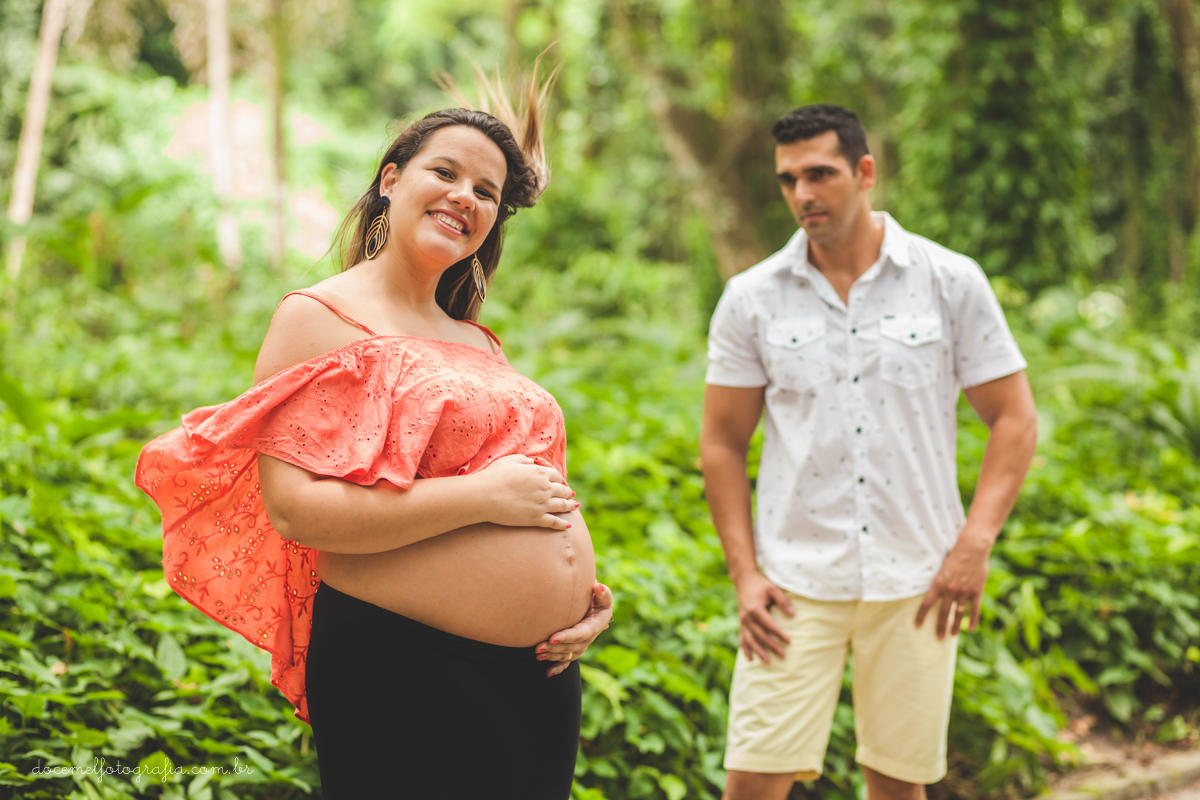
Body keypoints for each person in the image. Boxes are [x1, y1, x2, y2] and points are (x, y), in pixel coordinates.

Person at [135, 72, 613, 800]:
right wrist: (483, 500)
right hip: (405, 660)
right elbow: (296, 510)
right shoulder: (318, 316)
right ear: (391, 180)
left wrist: (584, 595)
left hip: (541, 675)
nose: (465, 196)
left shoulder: (479, 342)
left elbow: (534, 494)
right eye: (445, 172)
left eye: (486, 191)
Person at [699, 104, 1037, 800]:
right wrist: (745, 576)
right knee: (751, 783)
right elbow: (723, 443)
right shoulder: (751, 298)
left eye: (820, 174)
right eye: (789, 179)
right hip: (793, 582)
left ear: (865, 172)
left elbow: (1014, 418)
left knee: (898, 787)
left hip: (919, 578)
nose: (803, 194)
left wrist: (975, 544)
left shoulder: (949, 281)